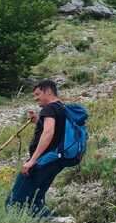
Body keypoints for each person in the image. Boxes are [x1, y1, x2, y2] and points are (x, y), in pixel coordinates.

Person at [6, 80, 78, 216]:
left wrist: (32, 161)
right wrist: (38, 120)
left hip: (44, 160)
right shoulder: (62, 107)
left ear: (48, 91)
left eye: (38, 94)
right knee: (36, 198)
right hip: (56, 159)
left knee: (15, 199)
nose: (36, 98)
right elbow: (57, 130)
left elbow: (48, 132)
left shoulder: (49, 109)